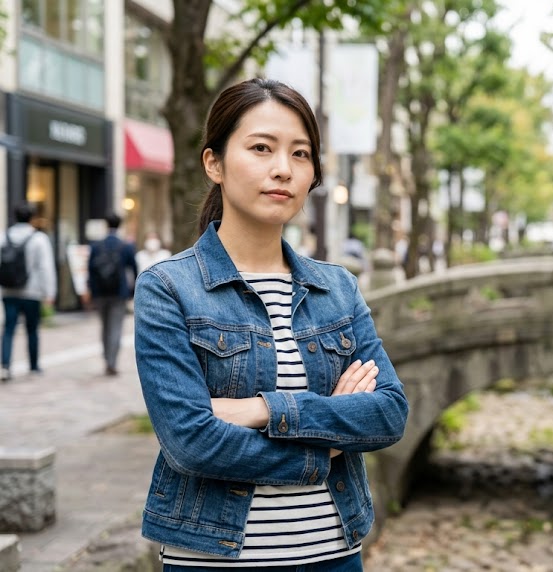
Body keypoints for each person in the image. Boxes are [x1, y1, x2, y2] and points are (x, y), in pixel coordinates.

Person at [133, 78, 408, 569]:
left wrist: (262, 410)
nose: (283, 168)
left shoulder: (336, 288)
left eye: (300, 154)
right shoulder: (169, 288)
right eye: (261, 148)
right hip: (214, 559)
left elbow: (387, 413)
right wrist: (323, 449)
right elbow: (190, 441)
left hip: (334, 554)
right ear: (214, 163)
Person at [0, 203, 57, 381]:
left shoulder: (4, 237)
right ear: (32, 217)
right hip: (32, 291)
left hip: (8, 290)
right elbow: (46, 267)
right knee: (32, 329)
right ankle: (33, 365)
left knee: (8, 329)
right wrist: (49, 292)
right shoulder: (39, 239)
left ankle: (5, 365)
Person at [84, 213, 138, 376]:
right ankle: (112, 362)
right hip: (119, 293)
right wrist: (133, 291)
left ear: (106, 225)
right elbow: (134, 269)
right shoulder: (125, 246)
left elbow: (90, 271)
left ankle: (107, 358)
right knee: (115, 327)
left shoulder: (96, 246)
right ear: (120, 225)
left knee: (104, 326)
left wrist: (91, 291)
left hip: (100, 293)